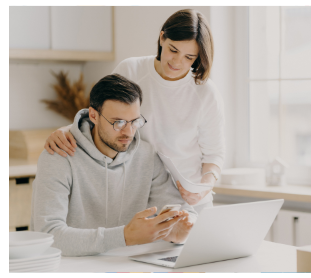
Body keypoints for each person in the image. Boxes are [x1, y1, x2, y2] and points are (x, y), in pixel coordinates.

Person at [43, 9, 225, 214]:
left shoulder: (205, 93)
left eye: (189, 57)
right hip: (138, 200)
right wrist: (66, 131)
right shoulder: (131, 70)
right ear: (162, 37)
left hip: (190, 205)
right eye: (173, 50)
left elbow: (214, 154)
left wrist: (203, 187)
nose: (177, 62)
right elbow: (102, 116)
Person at [31, 74, 198, 257]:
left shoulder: (147, 156)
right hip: (71, 267)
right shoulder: (59, 155)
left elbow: (182, 211)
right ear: (93, 115)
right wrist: (124, 237)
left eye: (134, 122)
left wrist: (179, 233)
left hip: (127, 266)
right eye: (118, 122)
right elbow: (49, 235)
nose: (128, 132)